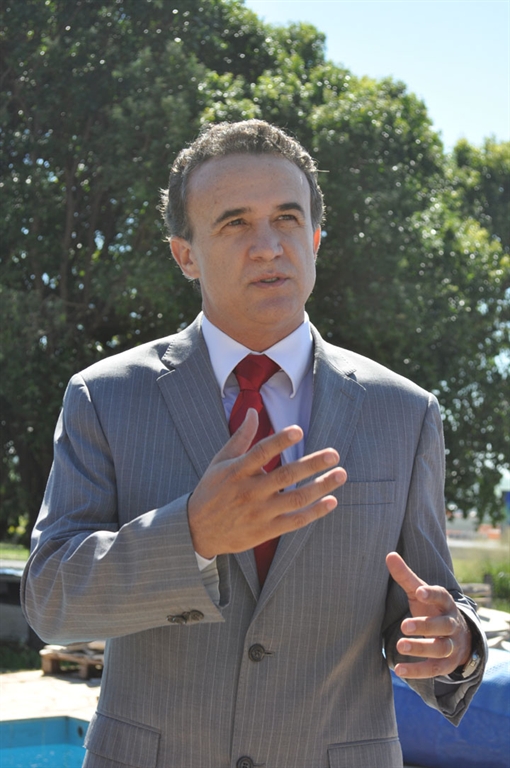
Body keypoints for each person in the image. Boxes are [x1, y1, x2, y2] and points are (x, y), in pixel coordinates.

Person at [22, 120, 486, 768]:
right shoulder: (104, 397)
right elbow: (50, 599)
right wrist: (191, 535)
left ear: (315, 239)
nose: (268, 246)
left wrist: (453, 642)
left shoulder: (405, 413)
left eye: (287, 219)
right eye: (235, 222)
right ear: (185, 255)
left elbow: (428, 608)